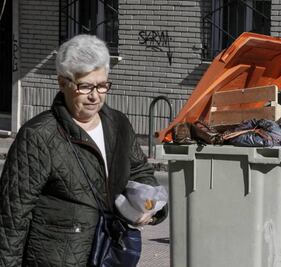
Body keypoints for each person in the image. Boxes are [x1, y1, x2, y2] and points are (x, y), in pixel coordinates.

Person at [0, 34, 167, 266]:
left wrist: (151, 207)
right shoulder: (38, 135)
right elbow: (12, 217)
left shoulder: (117, 124)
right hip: (57, 258)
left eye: (101, 86)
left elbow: (139, 170)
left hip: (109, 251)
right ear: (62, 83)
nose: (94, 96)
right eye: (85, 86)